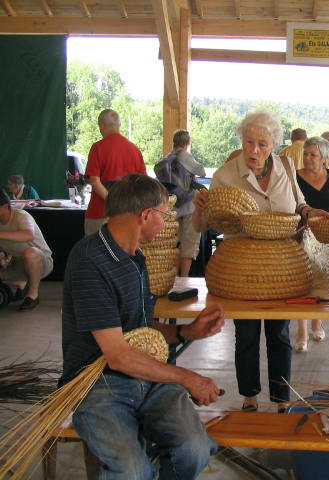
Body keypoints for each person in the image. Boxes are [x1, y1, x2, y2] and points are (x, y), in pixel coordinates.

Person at [61, 173, 225, 479]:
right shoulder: (89, 260)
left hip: (149, 377)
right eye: (164, 216)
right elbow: (119, 355)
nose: (166, 225)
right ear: (146, 215)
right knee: (132, 471)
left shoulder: (135, 257)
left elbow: (142, 329)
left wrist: (187, 332)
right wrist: (187, 377)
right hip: (99, 386)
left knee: (194, 449)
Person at [193, 110, 329, 412]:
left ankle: (282, 400)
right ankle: (249, 398)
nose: (254, 150)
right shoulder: (226, 175)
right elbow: (203, 227)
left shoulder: (285, 166)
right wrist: (200, 210)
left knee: (279, 335)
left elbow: (299, 204)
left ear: (274, 145)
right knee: (247, 335)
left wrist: (311, 212)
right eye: (249, 142)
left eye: (263, 144)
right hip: (242, 271)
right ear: (242, 141)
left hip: (283, 267)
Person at [294, 136, 329, 352]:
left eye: (313, 154)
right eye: (306, 154)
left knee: (324, 283)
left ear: (324, 157)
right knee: (301, 283)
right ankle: (302, 330)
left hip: (327, 241)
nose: (308, 158)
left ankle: (318, 321)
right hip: (300, 238)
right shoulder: (295, 178)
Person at [84, 109, 147, 237]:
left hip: (100, 213)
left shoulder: (98, 148)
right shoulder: (134, 150)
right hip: (128, 214)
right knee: (122, 254)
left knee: (94, 254)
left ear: (102, 126)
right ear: (119, 125)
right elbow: (143, 184)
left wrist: (112, 200)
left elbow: (94, 180)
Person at [154, 129, 206, 277]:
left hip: (174, 206)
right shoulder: (184, 155)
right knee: (189, 245)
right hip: (189, 206)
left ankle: (175, 278)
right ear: (187, 143)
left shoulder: (168, 157)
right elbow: (202, 171)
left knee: (176, 244)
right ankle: (184, 278)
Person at [0, 190, 52, 310]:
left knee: (31, 253)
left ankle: (33, 295)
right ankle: (20, 283)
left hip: (41, 262)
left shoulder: (21, 215)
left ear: (3, 206)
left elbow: (28, 235)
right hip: (13, 262)